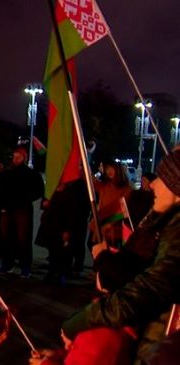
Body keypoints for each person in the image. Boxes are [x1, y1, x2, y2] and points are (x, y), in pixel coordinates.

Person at [61, 149, 180, 364]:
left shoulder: (176, 234)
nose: (153, 184)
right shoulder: (166, 228)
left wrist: (79, 322)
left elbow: (142, 293)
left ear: (176, 187)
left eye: (161, 178)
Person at [30, 250, 142, 365]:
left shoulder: (102, 334)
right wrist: (58, 355)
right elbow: (83, 356)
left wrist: (45, 364)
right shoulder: (113, 319)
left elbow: (92, 354)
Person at [0, 147, 44, 277]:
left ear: (24, 158)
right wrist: (2, 205)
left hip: (23, 210)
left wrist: (26, 199)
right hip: (7, 210)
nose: (15, 159)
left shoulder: (31, 173)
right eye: (14, 157)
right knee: (7, 239)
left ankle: (25, 267)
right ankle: (7, 265)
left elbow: (39, 190)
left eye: (18, 157)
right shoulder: (7, 173)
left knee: (24, 239)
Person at [94, 160, 132, 248]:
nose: (109, 171)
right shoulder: (104, 185)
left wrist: (110, 223)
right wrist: (99, 173)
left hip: (116, 229)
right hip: (102, 227)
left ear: (118, 170)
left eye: (111, 169)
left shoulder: (126, 189)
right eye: (106, 169)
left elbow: (123, 210)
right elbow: (91, 180)